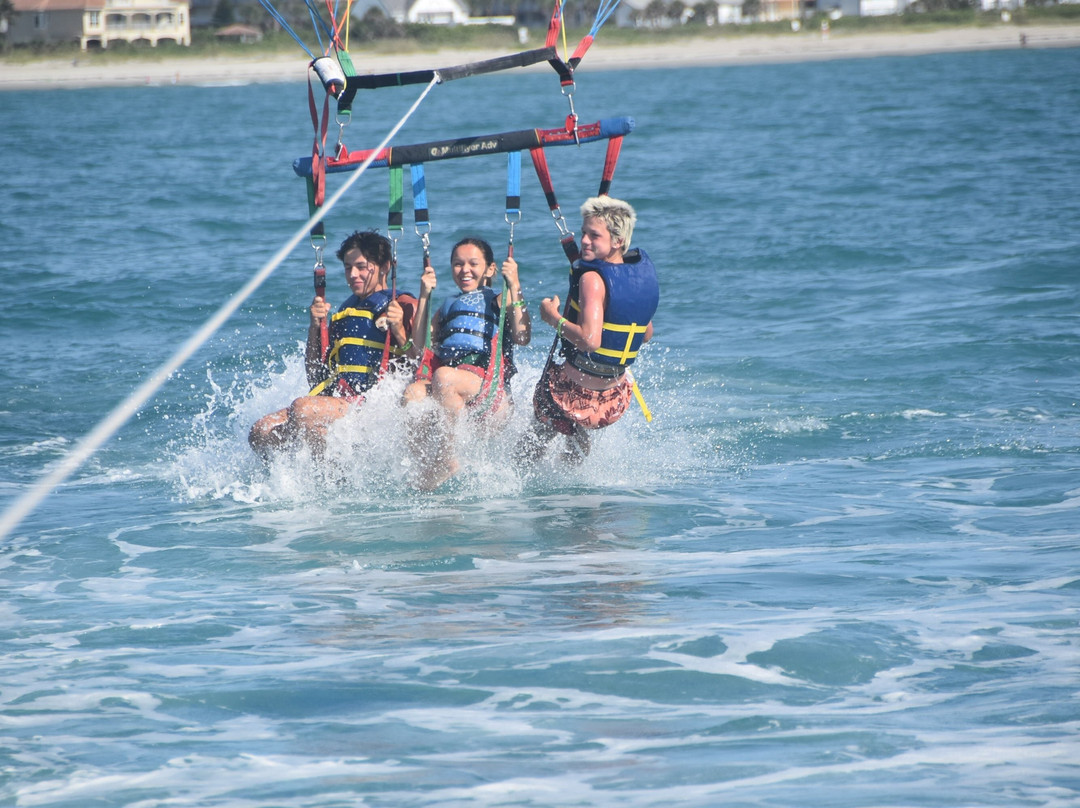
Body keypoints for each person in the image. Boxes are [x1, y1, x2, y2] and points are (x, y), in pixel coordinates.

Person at [248, 230, 417, 459]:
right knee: (260, 431)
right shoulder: (346, 314)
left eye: (361, 266)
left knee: (304, 410)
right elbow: (316, 376)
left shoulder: (403, 304)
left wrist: (398, 329)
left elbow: (422, 361)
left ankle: (329, 478)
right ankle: (293, 480)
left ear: (385, 267)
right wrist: (315, 327)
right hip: (339, 400)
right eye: (348, 268)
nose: (353, 274)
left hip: (373, 406)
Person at [521, 196, 659, 464]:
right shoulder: (637, 277)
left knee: (532, 443)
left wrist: (553, 318)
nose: (584, 241)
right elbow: (646, 334)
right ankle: (576, 483)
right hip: (613, 402)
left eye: (594, 235)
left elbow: (590, 340)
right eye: (583, 233)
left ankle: (517, 483)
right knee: (575, 440)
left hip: (572, 396)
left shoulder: (592, 279)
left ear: (617, 241)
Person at [402, 237, 531, 489]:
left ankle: (448, 458)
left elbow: (523, 336)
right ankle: (423, 467)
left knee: (443, 377)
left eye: (473, 263)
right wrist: (424, 296)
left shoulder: (497, 299)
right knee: (413, 393)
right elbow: (419, 347)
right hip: (455, 388)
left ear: (490, 269)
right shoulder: (449, 305)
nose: (465, 270)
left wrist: (515, 284)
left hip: (491, 392)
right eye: (458, 264)